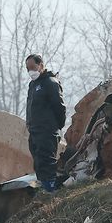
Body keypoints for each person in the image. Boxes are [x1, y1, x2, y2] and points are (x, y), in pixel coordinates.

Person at [25, 54, 66, 193]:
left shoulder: (50, 83)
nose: (31, 71)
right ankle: (43, 187)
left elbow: (59, 106)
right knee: (38, 161)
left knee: (47, 160)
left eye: (32, 67)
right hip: (34, 130)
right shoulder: (33, 84)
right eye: (27, 69)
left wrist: (58, 125)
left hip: (47, 130)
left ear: (41, 65)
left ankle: (51, 190)